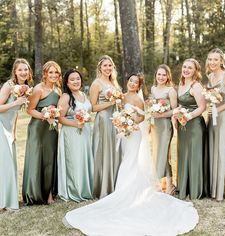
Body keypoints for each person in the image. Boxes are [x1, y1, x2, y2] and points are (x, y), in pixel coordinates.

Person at [63, 73, 199, 236]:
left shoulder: (138, 99)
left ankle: (128, 191)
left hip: (133, 133)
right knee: (124, 159)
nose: (133, 83)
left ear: (139, 85)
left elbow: (142, 117)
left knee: (131, 160)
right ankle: (121, 188)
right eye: (131, 81)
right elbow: (117, 112)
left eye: (136, 82)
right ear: (127, 82)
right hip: (123, 133)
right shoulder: (121, 96)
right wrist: (121, 123)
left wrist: (131, 124)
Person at [22, 61, 62, 205]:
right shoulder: (38, 89)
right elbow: (30, 109)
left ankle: (50, 195)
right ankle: (33, 193)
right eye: (50, 72)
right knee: (37, 159)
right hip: (37, 128)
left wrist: (54, 116)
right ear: (45, 73)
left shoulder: (58, 91)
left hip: (51, 130)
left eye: (56, 72)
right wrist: (45, 115)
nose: (53, 75)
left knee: (50, 160)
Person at [0, 58, 32, 210]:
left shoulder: (25, 87)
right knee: (4, 164)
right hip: (0, 125)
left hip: (9, 129)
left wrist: (13, 132)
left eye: (25, 69)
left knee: (9, 163)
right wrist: (16, 102)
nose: (23, 72)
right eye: (20, 70)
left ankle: (8, 199)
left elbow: (16, 114)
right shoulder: (9, 85)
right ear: (15, 71)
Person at [57, 69, 94, 202]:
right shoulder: (66, 97)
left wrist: (88, 118)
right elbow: (60, 118)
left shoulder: (83, 94)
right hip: (72, 133)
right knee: (75, 161)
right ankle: (75, 190)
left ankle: (85, 188)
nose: (75, 81)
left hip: (85, 133)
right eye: (72, 79)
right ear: (67, 83)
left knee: (83, 159)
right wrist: (75, 124)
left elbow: (88, 111)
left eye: (77, 78)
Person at [173, 58, 206, 200]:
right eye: (185, 67)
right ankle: (183, 187)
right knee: (184, 154)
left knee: (194, 155)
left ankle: (195, 189)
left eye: (190, 68)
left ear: (195, 71)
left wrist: (188, 116)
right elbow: (179, 105)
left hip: (195, 126)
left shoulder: (196, 86)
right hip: (182, 125)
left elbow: (202, 107)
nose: (186, 70)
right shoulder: (180, 84)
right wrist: (178, 115)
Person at [90, 55, 122, 199]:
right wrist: (111, 103)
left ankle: (115, 183)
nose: (108, 68)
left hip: (115, 119)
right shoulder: (96, 84)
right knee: (104, 151)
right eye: (105, 66)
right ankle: (102, 186)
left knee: (115, 150)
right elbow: (93, 107)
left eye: (110, 65)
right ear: (100, 68)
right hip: (103, 120)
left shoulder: (114, 83)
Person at [206, 48, 225, 201]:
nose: (212, 62)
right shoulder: (210, 76)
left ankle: (222, 190)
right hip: (212, 117)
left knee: (223, 150)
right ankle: (213, 188)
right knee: (214, 150)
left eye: (215, 59)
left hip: (224, 117)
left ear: (221, 61)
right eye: (210, 59)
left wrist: (218, 109)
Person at [150, 64, 177, 194]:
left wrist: (161, 114)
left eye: (164, 75)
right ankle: (168, 185)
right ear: (156, 75)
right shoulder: (153, 89)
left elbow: (175, 110)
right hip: (155, 126)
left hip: (166, 126)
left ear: (168, 76)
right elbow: (152, 106)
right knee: (159, 154)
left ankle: (163, 184)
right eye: (159, 74)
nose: (161, 77)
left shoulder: (170, 90)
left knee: (163, 153)